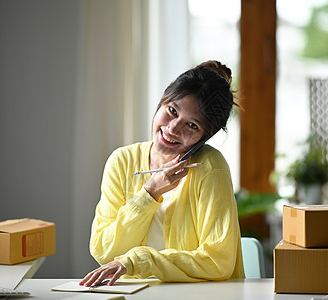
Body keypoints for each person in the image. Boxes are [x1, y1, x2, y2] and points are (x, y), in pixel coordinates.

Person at [79, 60, 245, 287]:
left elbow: (218, 261)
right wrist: (150, 192)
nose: (174, 128)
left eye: (192, 126)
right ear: (162, 101)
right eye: (172, 111)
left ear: (205, 137)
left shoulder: (210, 168)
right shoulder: (122, 161)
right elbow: (104, 250)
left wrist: (139, 260)